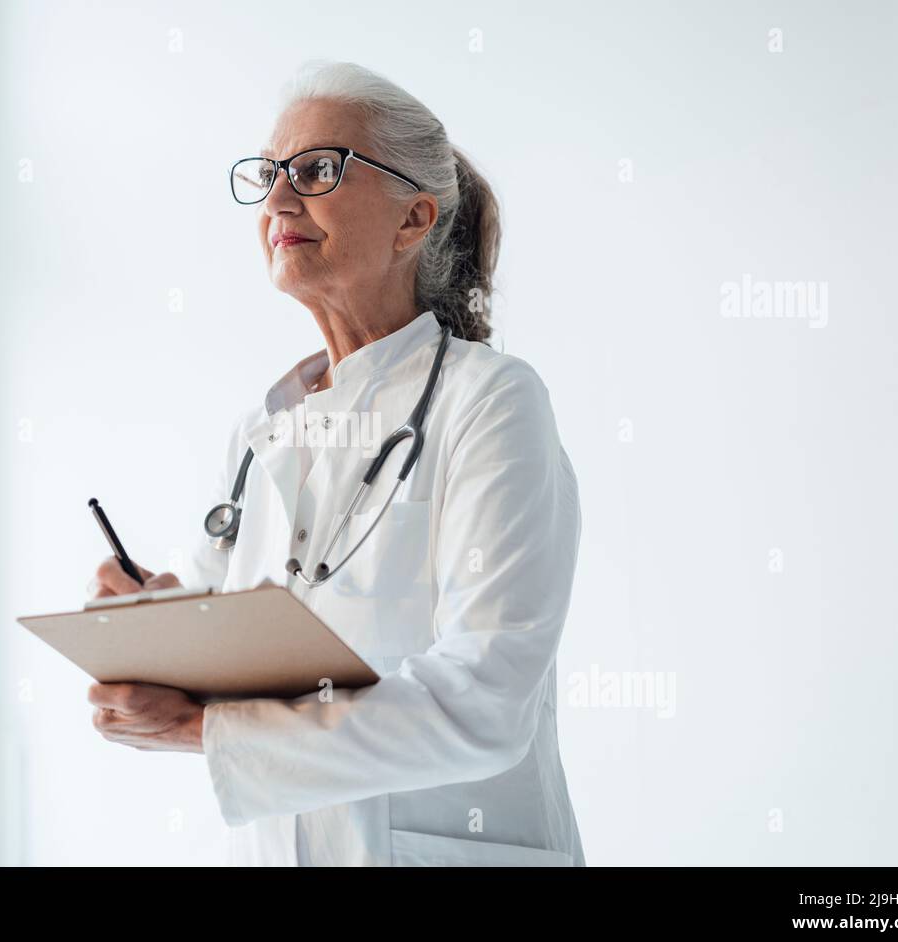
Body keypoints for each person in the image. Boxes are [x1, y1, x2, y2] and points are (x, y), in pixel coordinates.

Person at [86, 60, 584, 867]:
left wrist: (202, 730)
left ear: (413, 217)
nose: (279, 200)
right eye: (269, 174)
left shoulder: (491, 403)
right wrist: (151, 622)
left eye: (318, 171)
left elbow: (485, 703)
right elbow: (237, 648)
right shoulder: (263, 431)